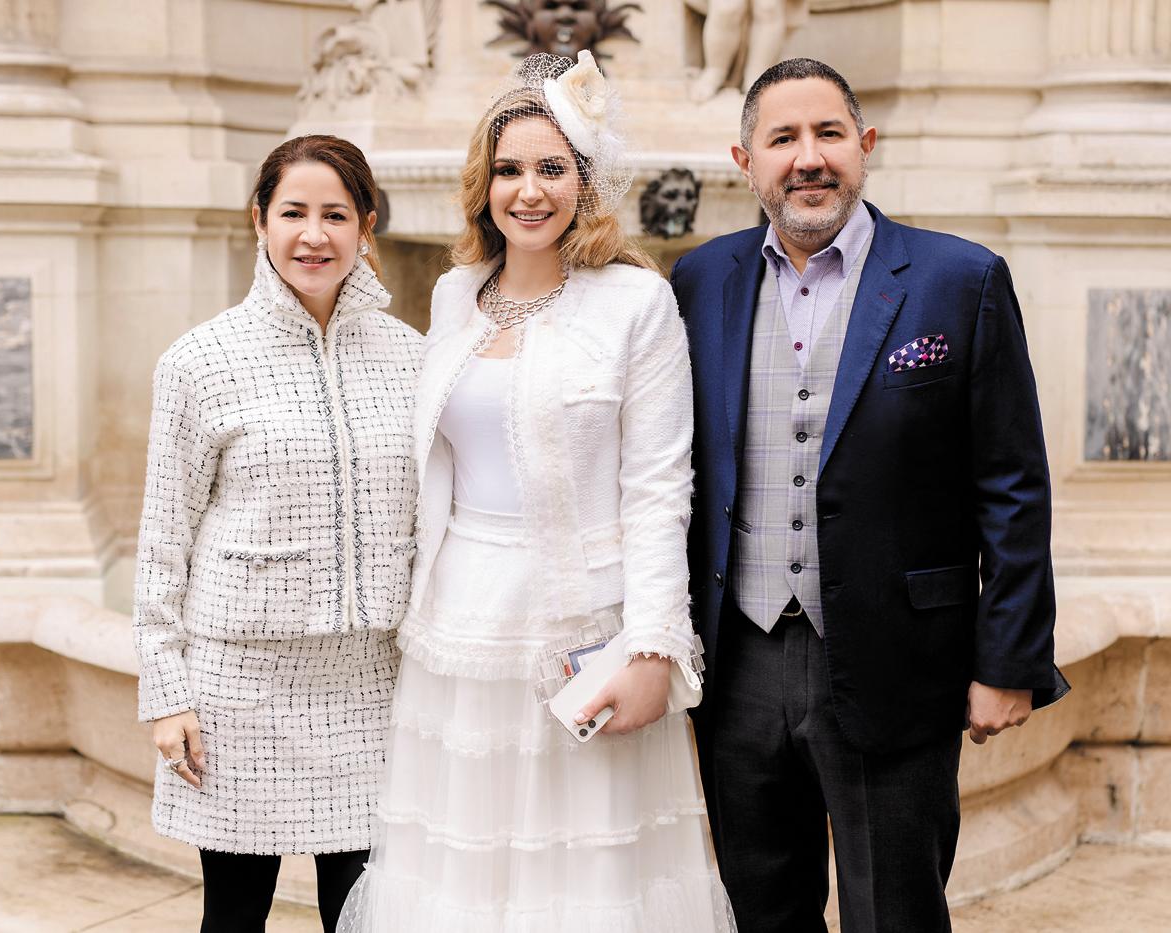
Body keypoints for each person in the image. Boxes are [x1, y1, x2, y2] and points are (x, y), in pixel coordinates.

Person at [672, 58, 1070, 933]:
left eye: (828, 134)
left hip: (899, 657)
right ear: (745, 160)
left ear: (866, 146)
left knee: (897, 912)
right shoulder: (699, 282)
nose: (808, 158)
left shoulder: (958, 280)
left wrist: (1007, 662)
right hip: (739, 663)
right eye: (783, 139)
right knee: (762, 908)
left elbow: (1012, 485)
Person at [339, 51, 733, 932]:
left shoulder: (635, 302)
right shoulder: (451, 297)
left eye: (552, 168)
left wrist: (654, 649)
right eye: (510, 169)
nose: (529, 190)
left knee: (587, 872)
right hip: (457, 625)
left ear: (584, 181)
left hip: (587, 626)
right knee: (463, 866)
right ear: (483, 184)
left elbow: (662, 487)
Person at [132, 134, 422, 933]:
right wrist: (167, 694)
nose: (313, 234)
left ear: (366, 226)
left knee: (363, 914)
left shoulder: (413, 358)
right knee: (233, 917)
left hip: (371, 687)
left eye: (336, 214)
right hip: (238, 694)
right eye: (293, 212)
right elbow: (163, 539)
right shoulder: (199, 361)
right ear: (259, 220)